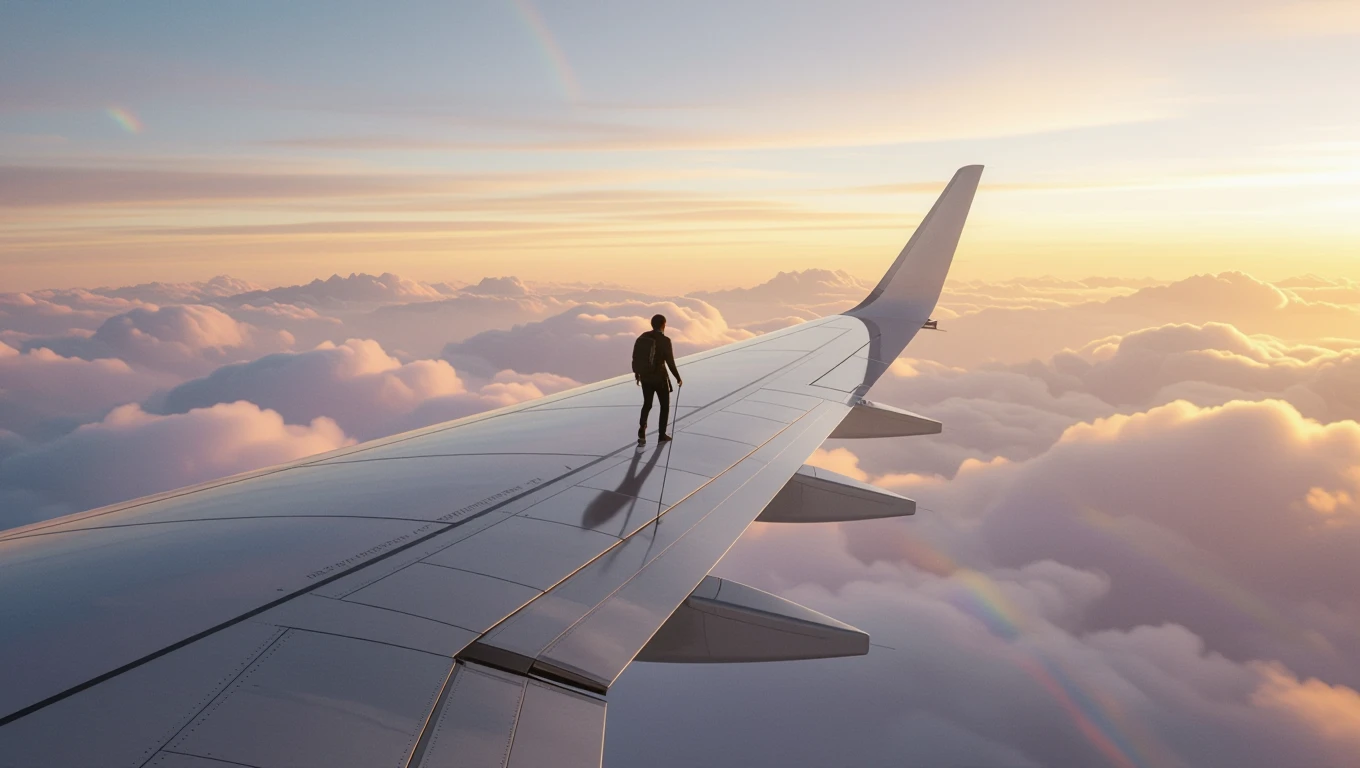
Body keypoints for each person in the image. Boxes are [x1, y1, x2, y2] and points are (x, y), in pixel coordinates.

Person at [632, 314, 682, 446]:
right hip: (660, 378)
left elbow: (636, 357)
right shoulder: (665, 340)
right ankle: (661, 435)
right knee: (664, 406)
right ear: (663, 324)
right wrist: (678, 377)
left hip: (646, 377)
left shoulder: (643, 337)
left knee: (647, 404)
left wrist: (638, 374)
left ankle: (642, 429)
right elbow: (670, 362)